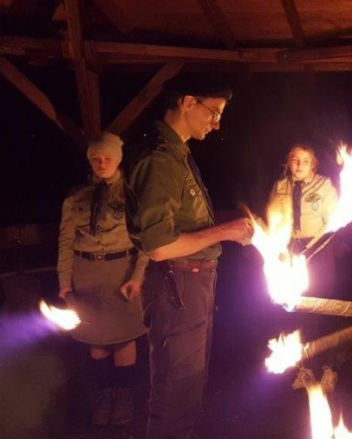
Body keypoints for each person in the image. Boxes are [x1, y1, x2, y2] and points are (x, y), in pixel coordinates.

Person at [124, 76, 254, 439]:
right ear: (187, 102)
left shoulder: (177, 154)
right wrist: (225, 232)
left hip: (189, 286)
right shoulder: (160, 160)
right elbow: (159, 246)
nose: (217, 123)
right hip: (176, 286)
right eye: (214, 112)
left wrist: (230, 222)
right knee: (175, 392)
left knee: (188, 388)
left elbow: (183, 222)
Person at [57, 132, 149, 427]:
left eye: (108, 158)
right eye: (96, 158)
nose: (102, 163)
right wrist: (64, 282)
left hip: (120, 272)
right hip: (86, 274)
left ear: (118, 160)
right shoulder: (76, 198)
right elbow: (65, 241)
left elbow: (145, 242)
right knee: (95, 339)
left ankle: (122, 398)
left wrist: (137, 276)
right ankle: (103, 395)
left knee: (122, 339)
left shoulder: (133, 196)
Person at [267, 143, 338, 296]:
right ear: (288, 161)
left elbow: (332, 220)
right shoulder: (280, 186)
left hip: (318, 246)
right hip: (290, 247)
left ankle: (320, 321)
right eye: (295, 159)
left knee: (321, 291)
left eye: (306, 161)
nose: (300, 165)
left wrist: (313, 246)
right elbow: (273, 220)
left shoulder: (324, 185)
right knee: (293, 293)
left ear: (313, 164)